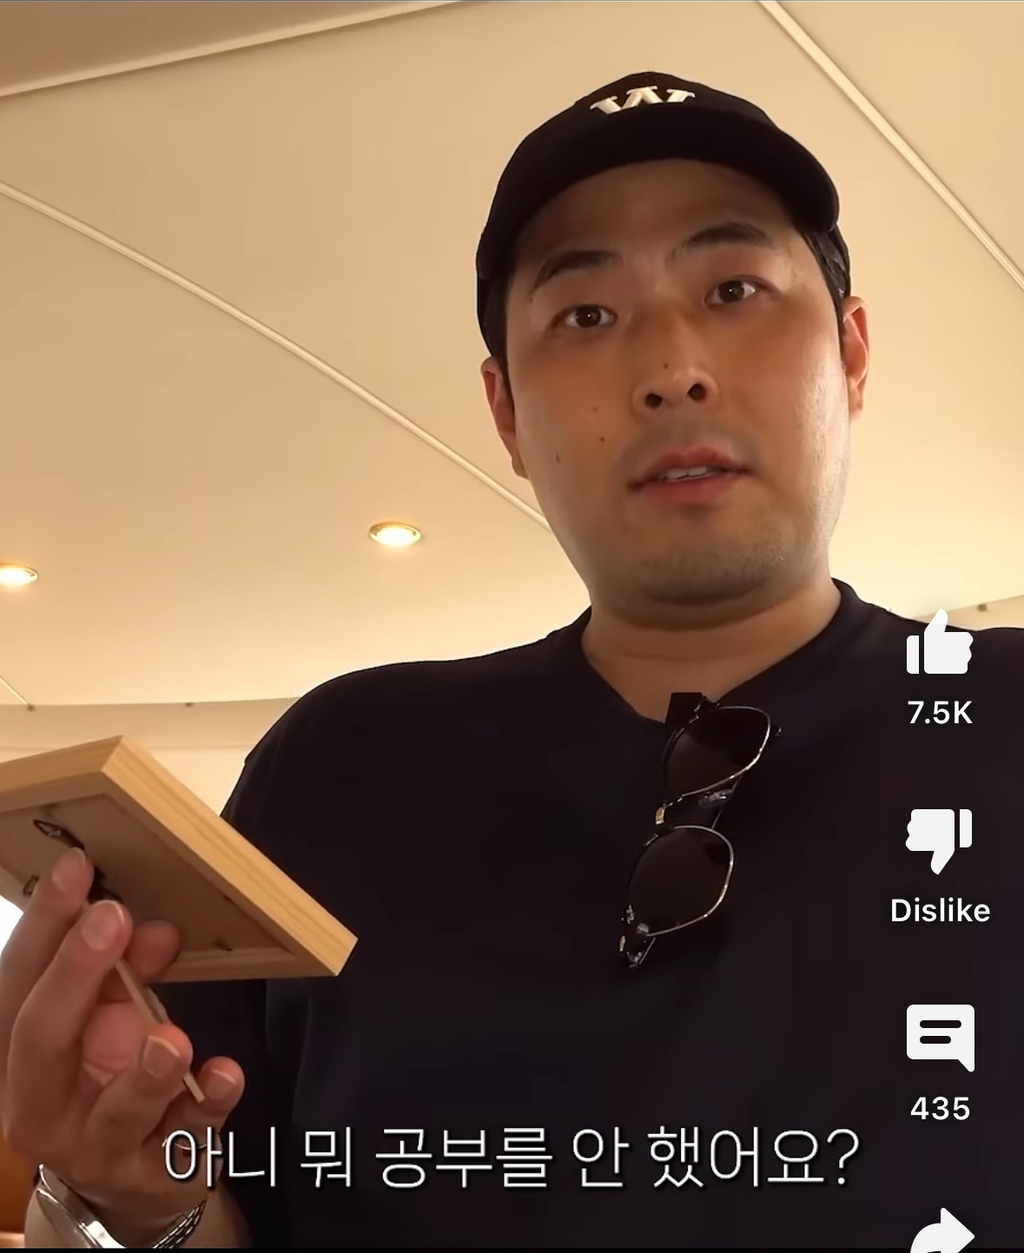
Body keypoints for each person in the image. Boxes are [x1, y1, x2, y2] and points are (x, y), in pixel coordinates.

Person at [5, 72, 1022, 1250]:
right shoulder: (344, 767)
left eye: (733, 288)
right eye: (584, 315)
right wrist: (127, 1199)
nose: (672, 366)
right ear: (504, 412)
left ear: (849, 351)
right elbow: (201, 1205)